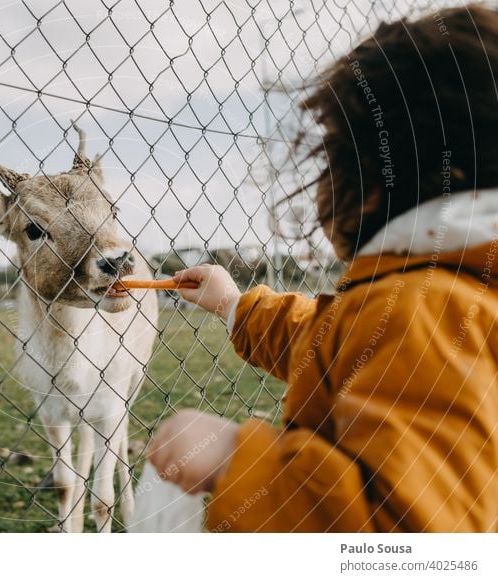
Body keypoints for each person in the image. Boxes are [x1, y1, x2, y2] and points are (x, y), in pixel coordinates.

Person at [147, 5, 498, 532]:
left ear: (376, 183)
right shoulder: (450, 294)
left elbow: (404, 540)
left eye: (331, 159)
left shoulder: (423, 307)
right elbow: (332, 343)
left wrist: (236, 464)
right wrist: (233, 303)